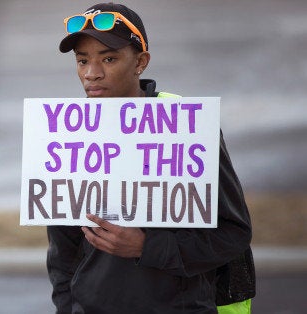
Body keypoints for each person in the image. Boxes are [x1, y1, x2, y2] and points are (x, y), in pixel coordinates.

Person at [47, 3, 256, 313]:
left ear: (140, 62)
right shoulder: (69, 135)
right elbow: (63, 251)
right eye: (82, 60)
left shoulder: (185, 127)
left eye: (109, 58)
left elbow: (232, 233)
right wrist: (68, 306)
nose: (91, 73)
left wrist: (147, 247)